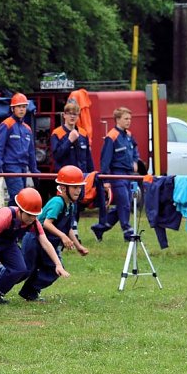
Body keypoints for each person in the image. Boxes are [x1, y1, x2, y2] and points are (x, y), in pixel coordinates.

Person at [18, 167, 86, 301]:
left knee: (53, 270)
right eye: (74, 187)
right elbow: (46, 224)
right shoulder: (57, 202)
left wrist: (78, 246)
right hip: (35, 239)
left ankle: (29, 292)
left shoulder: (71, 205)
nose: (78, 190)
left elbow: (68, 228)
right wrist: (62, 236)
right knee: (25, 269)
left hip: (49, 243)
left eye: (80, 187)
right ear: (63, 188)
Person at [49, 99, 95, 234]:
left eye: (75, 114)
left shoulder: (83, 133)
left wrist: (91, 175)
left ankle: (73, 231)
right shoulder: (57, 133)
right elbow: (56, 155)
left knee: (78, 205)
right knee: (65, 205)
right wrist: (69, 140)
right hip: (64, 178)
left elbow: (88, 157)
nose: (72, 117)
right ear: (64, 115)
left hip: (81, 177)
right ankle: (65, 231)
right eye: (69, 114)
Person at [92, 107, 139, 242]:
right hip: (117, 175)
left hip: (129, 174)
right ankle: (127, 232)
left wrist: (136, 161)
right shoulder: (111, 137)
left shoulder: (128, 135)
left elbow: (135, 149)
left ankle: (100, 227)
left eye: (130, 119)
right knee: (124, 203)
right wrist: (106, 179)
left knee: (125, 204)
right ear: (118, 119)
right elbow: (105, 160)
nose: (129, 121)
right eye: (126, 119)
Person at [0, 93, 39, 205]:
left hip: (23, 168)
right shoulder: (6, 124)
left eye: (24, 107)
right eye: (19, 107)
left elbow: (31, 152)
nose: (22, 109)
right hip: (11, 167)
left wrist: (34, 171)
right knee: (19, 197)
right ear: (13, 108)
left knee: (17, 199)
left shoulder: (27, 129)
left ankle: (11, 220)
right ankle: (13, 220)